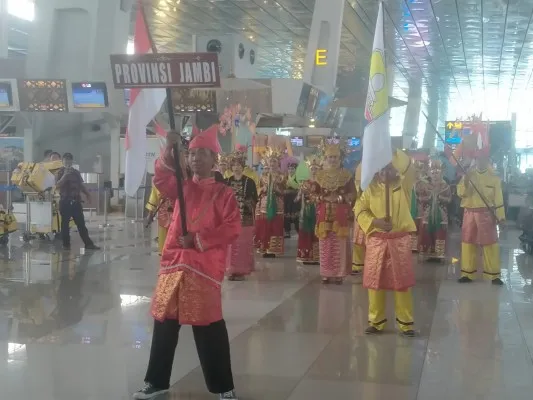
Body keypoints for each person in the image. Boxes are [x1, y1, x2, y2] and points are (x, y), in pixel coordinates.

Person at [134, 126, 241, 400]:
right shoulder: (181, 186)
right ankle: (156, 382)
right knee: (164, 324)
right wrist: (170, 149)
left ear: (214, 159)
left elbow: (232, 228)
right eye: (192, 154)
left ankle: (223, 388)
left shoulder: (224, 194)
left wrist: (198, 240)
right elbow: (161, 179)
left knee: (209, 327)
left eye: (202, 154)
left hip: (203, 269)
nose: (195, 159)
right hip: (174, 263)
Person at [355, 149, 417, 337]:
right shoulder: (369, 189)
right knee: (375, 282)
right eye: (381, 169)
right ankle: (376, 320)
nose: (384, 172)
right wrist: (375, 222)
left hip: (399, 240)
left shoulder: (403, 186)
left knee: (402, 283)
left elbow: (408, 166)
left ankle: (406, 322)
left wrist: (387, 146)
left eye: (388, 168)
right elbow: (359, 210)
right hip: (376, 240)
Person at [457, 152, 505, 285]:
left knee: (490, 243)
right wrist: (466, 182)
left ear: (488, 160)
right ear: (475, 159)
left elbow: (498, 199)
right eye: (478, 158)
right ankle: (467, 273)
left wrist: (501, 216)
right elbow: (461, 193)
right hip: (469, 213)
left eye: (484, 158)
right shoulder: (468, 175)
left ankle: (493, 275)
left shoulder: (494, 178)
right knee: (468, 242)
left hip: (486, 214)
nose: (480, 161)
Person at [314, 141, 354, 284]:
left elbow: (352, 194)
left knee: (340, 244)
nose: (332, 159)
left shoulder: (347, 175)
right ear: (325, 158)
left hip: (340, 214)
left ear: (340, 158)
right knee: (325, 243)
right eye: (330, 157)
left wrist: (340, 198)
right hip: (324, 213)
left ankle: (339, 274)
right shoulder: (319, 176)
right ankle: (326, 273)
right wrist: (321, 198)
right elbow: (313, 195)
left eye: (335, 157)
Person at [55, 153, 99, 251]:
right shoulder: (59, 172)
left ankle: (88, 244)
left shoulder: (76, 172)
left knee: (81, 224)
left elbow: (81, 185)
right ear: (62, 161)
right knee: (65, 225)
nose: (67, 162)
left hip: (76, 202)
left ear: (72, 161)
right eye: (66, 160)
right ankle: (66, 245)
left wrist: (88, 194)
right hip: (65, 202)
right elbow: (57, 185)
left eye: (69, 160)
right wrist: (65, 175)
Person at [225, 150, 258, 280]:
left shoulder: (249, 182)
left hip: (245, 218)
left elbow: (254, 198)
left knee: (243, 244)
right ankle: (230, 270)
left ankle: (241, 271)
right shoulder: (226, 181)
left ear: (243, 167)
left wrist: (243, 201)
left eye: (239, 165)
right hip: (230, 219)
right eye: (234, 165)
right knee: (230, 245)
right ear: (231, 167)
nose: (236, 167)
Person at [416, 159, 452, 260]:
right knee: (427, 233)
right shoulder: (425, 186)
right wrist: (428, 198)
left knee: (440, 233)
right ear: (429, 173)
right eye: (433, 172)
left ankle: (439, 253)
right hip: (427, 214)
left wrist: (440, 198)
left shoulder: (445, 186)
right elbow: (419, 198)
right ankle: (427, 253)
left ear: (442, 173)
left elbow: (449, 200)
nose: (435, 175)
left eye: (437, 172)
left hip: (441, 214)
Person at [255, 147, 286, 257]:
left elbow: (284, 191)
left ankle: (274, 249)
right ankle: (265, 247)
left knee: (276, 226)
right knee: (265, 226)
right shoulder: (263, 176)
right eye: (271, 161)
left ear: (278, 163)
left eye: (274, 161)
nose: (272, 164)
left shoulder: (282, 176)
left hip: (277, 203)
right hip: (265, 203)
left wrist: (276, 189)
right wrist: (264, 189)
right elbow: (258, 189)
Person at [296, 155, 321, 265]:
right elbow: (297, 198)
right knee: (306, 231)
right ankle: (306, 255)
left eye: (316, 168)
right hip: (306, 211)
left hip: (318, 210)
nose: (314, 171)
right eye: (312, 169)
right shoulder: (305, 182)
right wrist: (301, 192)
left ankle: (317, 256)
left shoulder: (323, 183)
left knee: (317, 232)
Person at [145, 186, 173, 255]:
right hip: (163, 215)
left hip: (177, 214)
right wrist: (150, 213)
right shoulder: (159, 179)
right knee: (163, 244)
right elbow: (154, 196)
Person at [352, 163, 365, 275]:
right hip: (360, 210)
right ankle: (358, 263)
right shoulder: (360, 166)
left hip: (373, 210)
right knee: (358, 238)